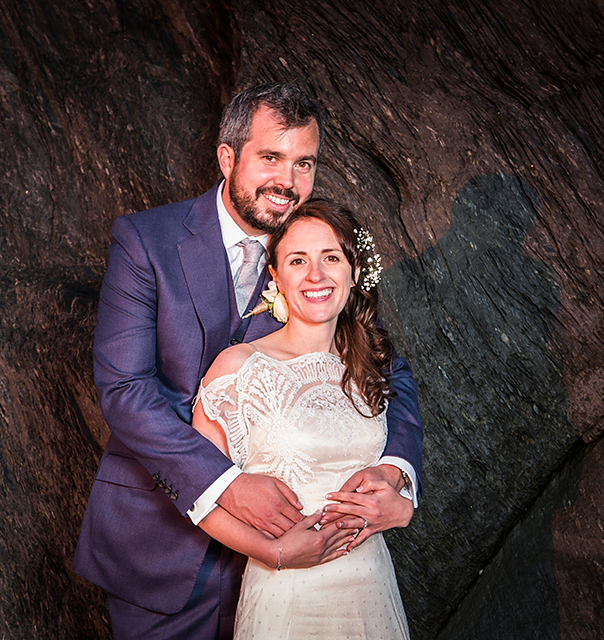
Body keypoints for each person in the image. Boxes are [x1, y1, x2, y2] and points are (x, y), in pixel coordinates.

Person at [73, 83, 423, 639]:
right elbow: (124, 391)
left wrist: (396, 475)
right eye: (270, 158)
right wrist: (228, 483)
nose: (287, 181)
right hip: (161, 545)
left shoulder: (312, 254)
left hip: (298, 561)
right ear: (227, 157)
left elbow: (388, 370)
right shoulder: (147, 241)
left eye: (303, 163)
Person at [192, 199, 411, 638]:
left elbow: (396, 465)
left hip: (370, 586)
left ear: (353, 272)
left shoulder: (372, 367)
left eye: (331, 257)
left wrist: (400, 498)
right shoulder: (240, 366)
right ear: (275, 277)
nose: (316, 274)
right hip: (286, 593)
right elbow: (201, 497)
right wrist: (274, 552)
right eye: (298, 260)